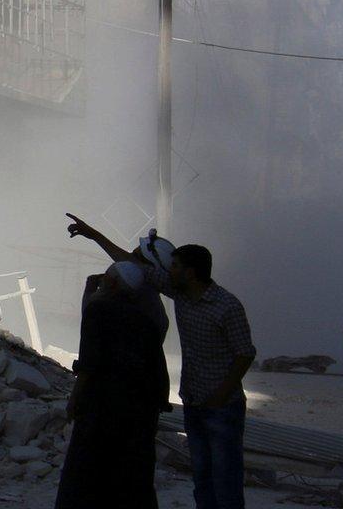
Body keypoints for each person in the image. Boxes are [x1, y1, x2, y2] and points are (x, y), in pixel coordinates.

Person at [66, 217, 257, 509]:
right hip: (195, 401)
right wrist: (94, 235)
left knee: (226, 480)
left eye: (176, 267)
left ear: (191, 273)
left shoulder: (227, 306)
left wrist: (220, 395)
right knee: (203, 478)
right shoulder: (179, 293)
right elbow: (131, 262)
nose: (169, 271)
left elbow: (245, 353)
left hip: (221, 407)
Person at [55, 262, 170, 509]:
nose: (102, 279)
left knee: (87, 470)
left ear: (114, 283)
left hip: (103, 404)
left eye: (106, 276)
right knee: (131, 475)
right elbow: (157, 367)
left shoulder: (100, 310)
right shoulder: (146, 319)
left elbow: (90, 361)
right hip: (139, 410)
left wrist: (74, 399)